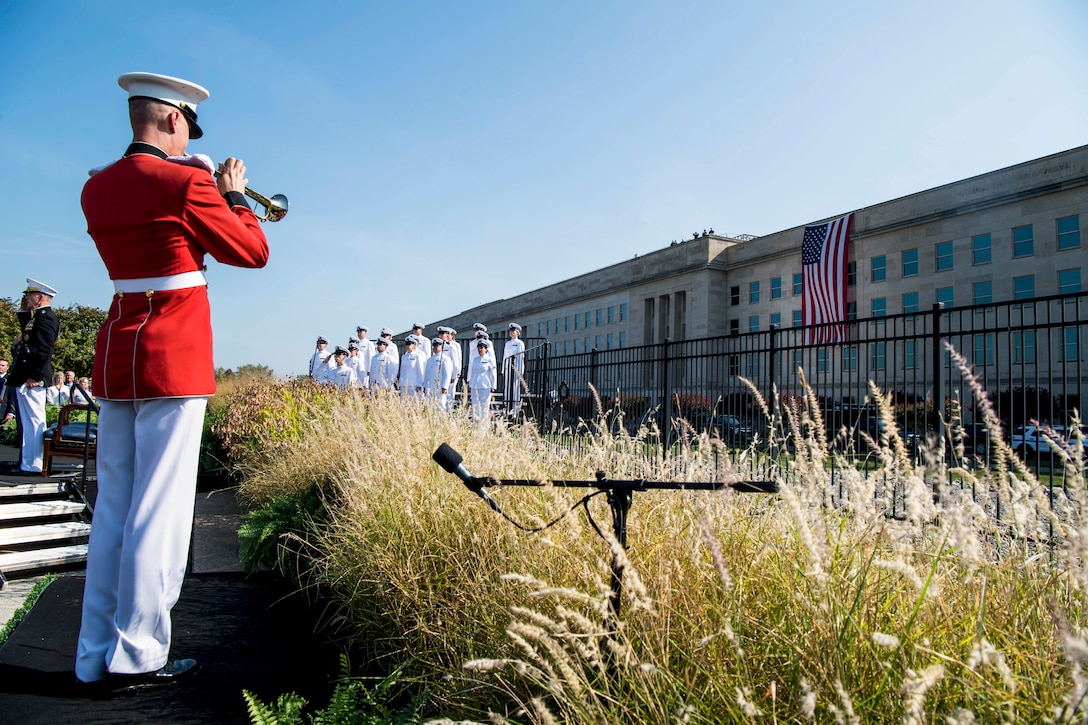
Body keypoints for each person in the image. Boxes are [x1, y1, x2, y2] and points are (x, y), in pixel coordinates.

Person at [76, 71, 269, 688]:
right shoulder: (186, 182)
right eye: (187, 132)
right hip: (173, 356)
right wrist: (234, 196)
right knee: (158, 512)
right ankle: (138, 653)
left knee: (113, 511)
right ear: (174, 121)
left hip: (119, 352)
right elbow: (252, 252)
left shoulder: (95, 188)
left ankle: (91, 654)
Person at [7, 279, 60, 475]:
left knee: (35, 422)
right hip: (25, 376)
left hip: (32, 378)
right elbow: (28, 336)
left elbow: (44, 350)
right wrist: (23, 312)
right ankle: (27, 462)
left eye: (29, 295)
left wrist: (34, 376)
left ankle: (35, 463)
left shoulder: (46, 318)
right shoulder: (38, 316)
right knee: (27, 423)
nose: (26, 297)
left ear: (39, 297)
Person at [469, 338, 497, 421]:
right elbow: (473, 372)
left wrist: (493, 385)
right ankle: (476, 426)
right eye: (478, 348)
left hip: (485, 386)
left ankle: (483, 429)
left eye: (482, 348)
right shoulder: (475, 360)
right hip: (475, 386)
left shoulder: (489, 360)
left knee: (484, 408)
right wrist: (471, 383)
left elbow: (493, 373)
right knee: (475, 407)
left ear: (486, 349)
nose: (480, 350)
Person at [423, 337, 454, 410]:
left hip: (440, 386)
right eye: (434, 346)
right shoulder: (430, 360)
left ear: (442, 347)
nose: (435, 348)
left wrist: (445, 386)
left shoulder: (445, 359)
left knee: (441, 406)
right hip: (430, 387)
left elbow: (447, 374)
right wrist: (425, 386)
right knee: (430, 406)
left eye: (438, 346)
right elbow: (427, 374)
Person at [503, 323, 526, 416]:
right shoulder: (507, 343)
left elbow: (521, 357)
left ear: (517, 332)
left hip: (516, 367)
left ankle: (515, 412)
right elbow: (505, 357)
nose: (512, 333)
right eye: (511, 331)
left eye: (513, 331)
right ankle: (507, 409)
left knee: (515, 389)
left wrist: (520, 371)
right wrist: (503, 370)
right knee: (507, 388)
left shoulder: (519, 343)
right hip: (508, 367)